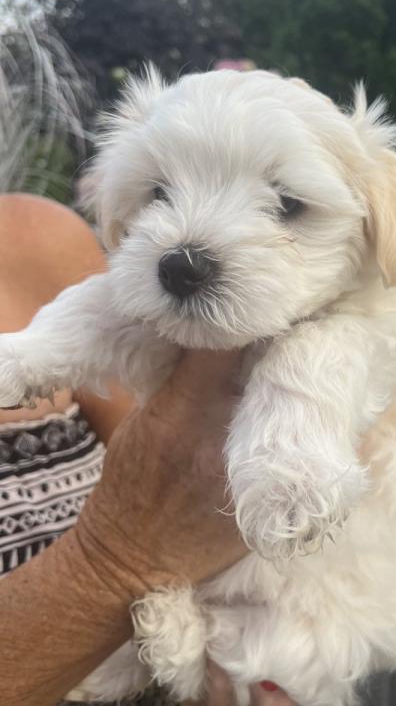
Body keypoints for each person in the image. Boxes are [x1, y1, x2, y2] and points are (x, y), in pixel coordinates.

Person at [0, 194, 292, 706]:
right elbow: (154, 514)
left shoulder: (41, 234)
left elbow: (164, 437)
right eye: (161, 191)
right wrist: (116, 560)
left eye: (283, 203)